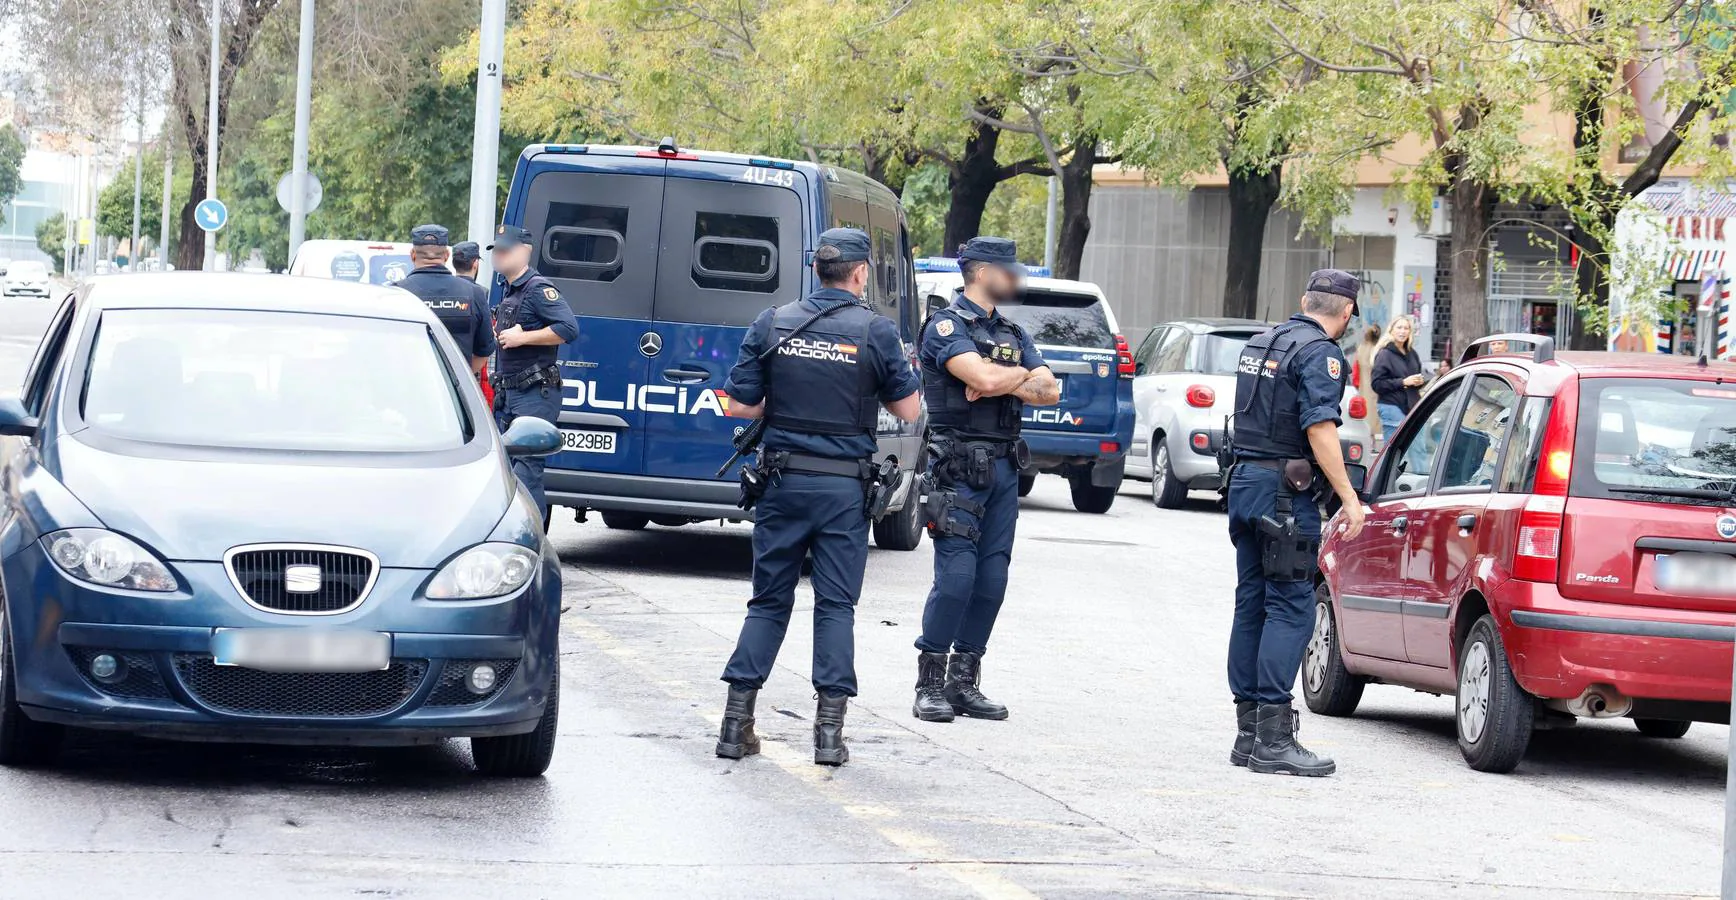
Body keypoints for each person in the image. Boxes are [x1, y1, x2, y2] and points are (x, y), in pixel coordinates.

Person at [715, 228, 922, 767]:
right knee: (835, 606)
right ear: (859, 274)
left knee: (767, 601)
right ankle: (829, 736)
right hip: (842, 491)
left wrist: (779, 404)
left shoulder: (773, 321)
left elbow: (739, 406)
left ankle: (735, 726)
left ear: (817, 270)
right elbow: (908, 411)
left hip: (782, 483)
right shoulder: (875, 332)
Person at [1225, 269, 1368, 778]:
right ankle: (1274, 737)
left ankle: (1248, 734)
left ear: (1304, 299)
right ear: (1346, 312)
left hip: (1244, 484)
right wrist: (1349, 499)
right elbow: (1320, 428)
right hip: (1285, 494)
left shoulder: (1261, 343)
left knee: (1253, 605)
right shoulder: (1319, 354)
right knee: (1291, 610)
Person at [910, 237, 1060, 724]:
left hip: (1002, 468)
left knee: (992, 582)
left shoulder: (1012, 331)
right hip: (956, 467)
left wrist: (996, 377)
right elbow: (1003, 380)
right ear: (980, 272)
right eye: (1007, 270)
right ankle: (928, 683)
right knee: (956, 580)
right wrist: (1011, 378)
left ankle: (963, 682)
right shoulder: (946, 325)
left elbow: (1050, 389)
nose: (1015, 278)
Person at [488, 224, 579, 523]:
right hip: (509, 394)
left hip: (534, 394)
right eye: (496, 250)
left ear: (525, 251)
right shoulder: (508, 289)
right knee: (507, 474)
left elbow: (568, 329)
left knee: (527, 473)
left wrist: (522, 337)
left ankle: (531, 543)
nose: (499, 255)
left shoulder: (539, 288)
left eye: (505, 249)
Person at [394, 225, 495, 377]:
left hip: (410, 389)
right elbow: (483, 352)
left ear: (412, 254)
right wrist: (454, 379)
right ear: (447, 255)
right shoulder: (474, 293)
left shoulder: (396, 294)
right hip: (453, 396)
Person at [1371, 314, 1425, 433]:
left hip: (1412, 407)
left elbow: (1416, 378)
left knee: (1419, 449)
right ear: (1391, 330)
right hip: (1392, 406)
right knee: (1394, 449)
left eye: (1406, 328)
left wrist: (1419, 382)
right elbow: (1377, 384)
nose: (1403, 331)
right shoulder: (1385, 354)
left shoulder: (1412, 353)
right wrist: (1403, 382)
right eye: (1399, 327)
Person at [1352, 323, 1382, 444]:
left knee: (1366, 413)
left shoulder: (1360, 349)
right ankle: (1375, 440)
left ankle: (1367, 439)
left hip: (1363, 388)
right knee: (1375, 414)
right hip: (1376, 388)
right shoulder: (1378, 350)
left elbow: (1355, 371)